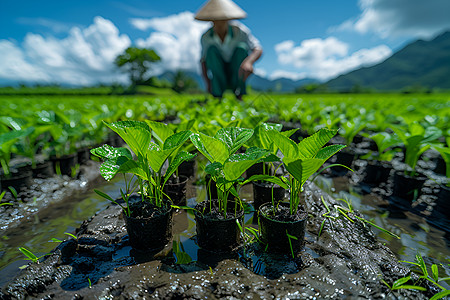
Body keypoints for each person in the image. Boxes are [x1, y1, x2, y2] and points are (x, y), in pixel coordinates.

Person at [195, 0, 263, 99]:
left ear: (228, 19)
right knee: (211, 51)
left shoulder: (240, 31)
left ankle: (239, 96)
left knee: (241, 48)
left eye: (222, 19)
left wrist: (249, 62)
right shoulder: (206, 37)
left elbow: (258, 49)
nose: (219, 23)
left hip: (236, 70)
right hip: (218, 72)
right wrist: (208, 83)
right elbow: (203, 61)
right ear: (211, 20)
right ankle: (217, 97)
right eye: (216, 19)